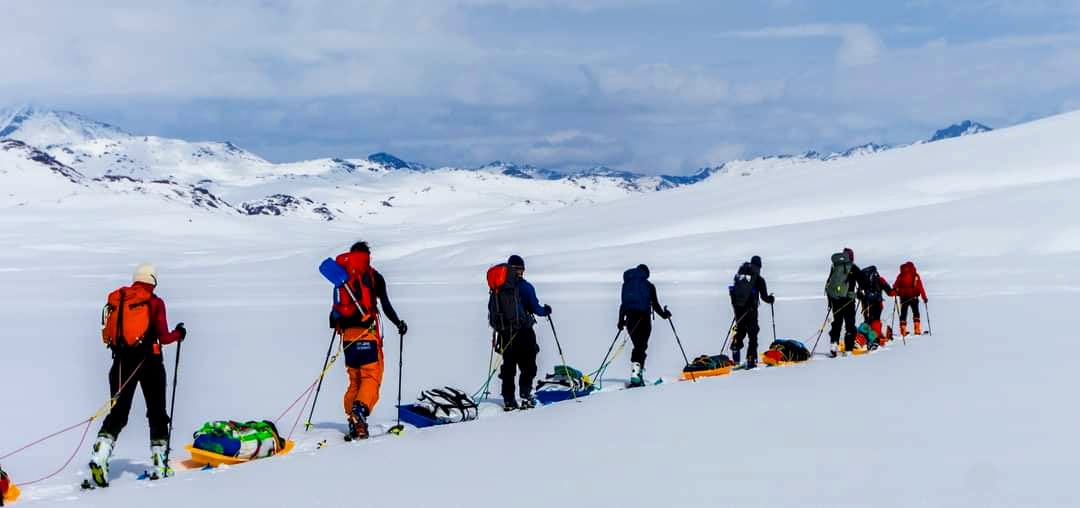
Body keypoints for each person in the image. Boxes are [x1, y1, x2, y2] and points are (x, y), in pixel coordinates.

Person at [89, 263, 186, 486]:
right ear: (153, 280)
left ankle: (101, 453)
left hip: (121, 364)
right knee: (157, 412)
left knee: (119, 413)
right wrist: (179, 334)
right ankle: (159, 463)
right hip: (150, 362)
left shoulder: (120, 300)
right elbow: (163, 335)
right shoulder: (154, 302)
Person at [329, 241, 407, 440]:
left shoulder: (342, 278)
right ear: (367, 257)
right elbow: (386, 306)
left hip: (347, 336)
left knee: (355, 378)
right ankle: (359, 412)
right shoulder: (373, 277)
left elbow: (334, 315)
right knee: (371, 377)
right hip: (367, 334)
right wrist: (398, 323)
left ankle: (353, 416)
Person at [497, 255, 551, 411]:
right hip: (523, 333)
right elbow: (536, 308)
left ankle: (508, 399)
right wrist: (546, 311)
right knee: (528, 366)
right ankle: (525, 395)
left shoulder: (498, 288)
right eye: (520, 269)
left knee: (508, 367)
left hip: (504, 334)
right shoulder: (526, 287)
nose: (521, 272)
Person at [617, 264, 671, 387]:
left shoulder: (627, 285)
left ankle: (637, 376)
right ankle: (636, 378)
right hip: (643, 319)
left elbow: (623, 305)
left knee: (638, 346)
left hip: (630, 320)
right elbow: (655, 304)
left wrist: (620, 322)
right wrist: (664, 315)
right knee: (641, 347)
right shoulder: (648, 286)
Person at [728, 255, 775, 369]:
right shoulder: (759, 279)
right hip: (751, 310)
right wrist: (771, 299)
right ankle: (751, 359)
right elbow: (764, 298)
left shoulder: (740, 276)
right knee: (753, 334)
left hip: (738, 309)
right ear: (759, 266)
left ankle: (735, 348)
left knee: (741, 330)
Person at [824, 248, 871, 357]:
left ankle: (833, 345)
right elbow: (864, 281)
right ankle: (849, 349)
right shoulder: (852, 267)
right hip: (848, 300)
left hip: (835, 300)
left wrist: (830, 302)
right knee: (850, 324)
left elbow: (829, 284)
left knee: (837, 322)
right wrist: (861, 292)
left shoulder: (835, 267)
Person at [857, 264, 895, 345]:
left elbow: (858, 294)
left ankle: (866, 339)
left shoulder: (863, 280)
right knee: (875, 322)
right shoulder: (880, 279)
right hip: (878, 305)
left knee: (868, 323)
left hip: (866, 305)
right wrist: (896, 291)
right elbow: (890, 293)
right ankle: (875, 340)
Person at [893, 261, 928, 336]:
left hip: (903, 297)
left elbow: (895, 285)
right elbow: (920, 287)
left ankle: (903, 332)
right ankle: (917, 330)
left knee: (903, 314)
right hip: (914, 297)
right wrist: (924, 297)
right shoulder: (915, 275)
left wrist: (895, 290)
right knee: (916, 313)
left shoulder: (901, 275)